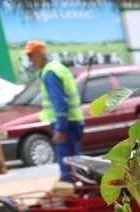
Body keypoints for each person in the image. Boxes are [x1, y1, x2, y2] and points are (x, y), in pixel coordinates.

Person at [24, 41, 85, 184]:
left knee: (68, 165)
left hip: (66, 124)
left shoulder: (50, 72)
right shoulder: (56, 68)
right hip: (72, 121)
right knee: (73, 162)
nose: (30, 60)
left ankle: (72, 189)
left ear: (40, 54)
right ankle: (75, 187)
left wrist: (60, 129)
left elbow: (59, 102)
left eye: (31, 56)